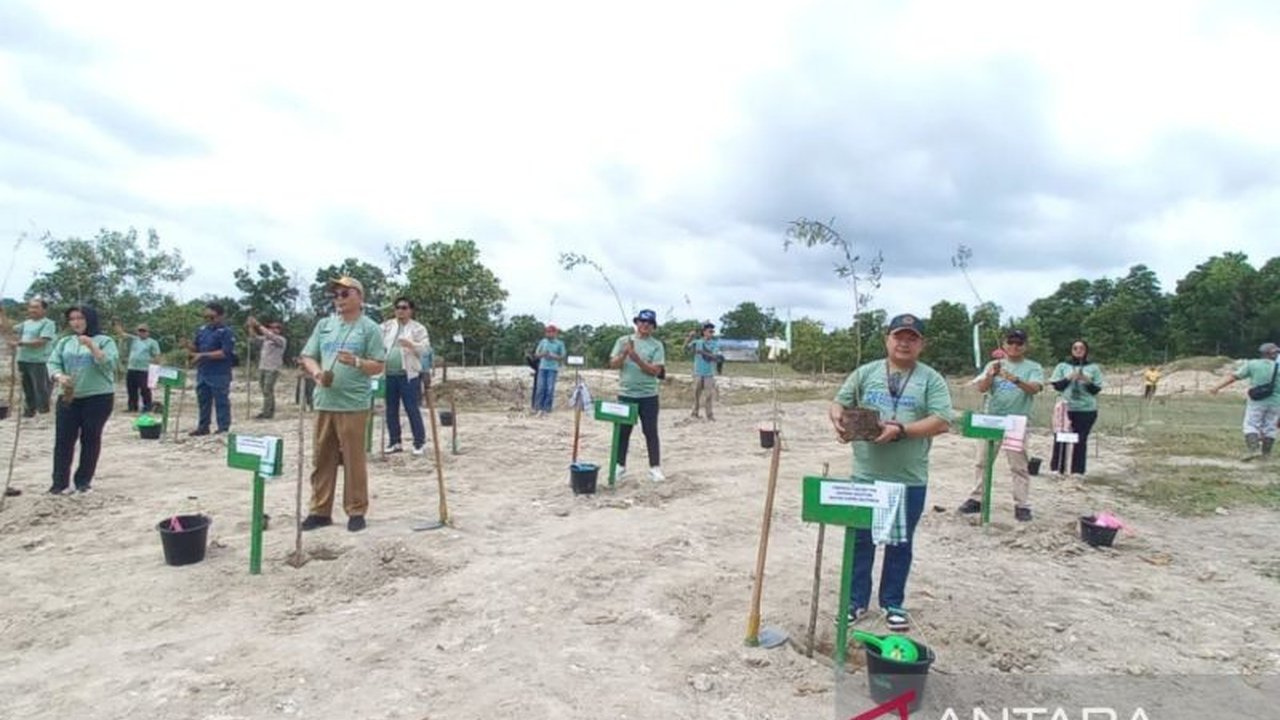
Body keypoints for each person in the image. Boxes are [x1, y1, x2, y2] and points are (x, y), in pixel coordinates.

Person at [827, 313, 953, 632]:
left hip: (908, 478)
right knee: (860, 541)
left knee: (900, 543)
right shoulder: (866, 372)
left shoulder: (931, 379)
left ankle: (893, 603)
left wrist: (901, 430)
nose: (904, 343)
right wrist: (838, 419)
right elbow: (838, 402)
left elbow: (941, 421)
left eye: (912, 338)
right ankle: (855, 602)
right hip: (865, 476)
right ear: (887, 339)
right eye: (899, 336)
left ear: (922, 344)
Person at [298, 277, 386, 532]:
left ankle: (356, 510)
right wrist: (317, 373)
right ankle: (319, 511)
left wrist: (357, 362)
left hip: (353, 404)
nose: (339, 298)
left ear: (359, 296)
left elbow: (378, 365)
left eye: (345, 293)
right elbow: (308, 356)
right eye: (335, 294)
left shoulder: (370, 328)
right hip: (324, 402)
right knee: (321, 458)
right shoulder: (324, 325)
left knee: (353, 460)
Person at [959, 329, 1044, 521]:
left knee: (1018, 465)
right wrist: (991, 375)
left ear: (1025, 346)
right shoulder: (993, 364)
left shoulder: (1033, 367)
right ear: (1004, 345)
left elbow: (1034, 389)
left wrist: (1014, 379)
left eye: (1019, 343)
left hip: (1016, 422)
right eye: (1010, 342)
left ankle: (1022, 504)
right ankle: (977, 499)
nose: (1014, 346)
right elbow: (981, 388)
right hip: (992, 420)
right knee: (982, 461)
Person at [46, 305, 118, 494]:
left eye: (80, 318)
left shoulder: (105, 341)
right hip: (68, 397)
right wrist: (59, 376)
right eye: (72, 319)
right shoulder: (65, 342)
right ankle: (59, 483)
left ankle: (83, 481)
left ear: (89, 319)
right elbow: (53, 362)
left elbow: (110, 365)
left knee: (90, 438)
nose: (76, 322)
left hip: (98, 398)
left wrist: (92, 346)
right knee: (63, 440)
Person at [609, 309, 666, 482]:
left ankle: (655, 468)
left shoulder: (657, 345)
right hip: (626, 394)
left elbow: (656, 371)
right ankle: (619, 466)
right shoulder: (623, 341)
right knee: (623, 432)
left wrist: (637, 359)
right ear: (637, 323)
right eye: (642, 321)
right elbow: (613, 364)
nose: (645, 325)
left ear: (653, 326)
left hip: (649, 395)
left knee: (650, 431)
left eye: (649, 322)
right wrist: (625, 354)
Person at [1210, 342, 1280, 461]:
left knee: (1251, 425)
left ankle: (1254, 450)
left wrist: (1216, 387)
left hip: (1257, 402)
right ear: (1273, 354)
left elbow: (1234, 377)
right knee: (1270, 428)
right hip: (1276, 403)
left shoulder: (1252, 364)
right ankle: (1265, 455)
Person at [380, 297, 430, 454]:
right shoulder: (386, 326)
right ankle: (395, 442)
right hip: (389, 374)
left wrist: (411, 344)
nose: (400, 311)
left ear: (411, 310)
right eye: (398, 307)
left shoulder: (418, 328)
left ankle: (419, 443)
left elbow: (426, 349)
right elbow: (376, 343)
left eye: (404, 307)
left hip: (409, 375)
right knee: (391, 409)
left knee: (412, 408)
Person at [1048, 340, 1104, 475]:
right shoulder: (1062, 366)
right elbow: (1057, 386)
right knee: (1060, 437)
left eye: (1081, 348)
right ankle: (1058, 468)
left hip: (1086, 409)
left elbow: (1096, 390)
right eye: (1075, 348)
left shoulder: (1094, 368)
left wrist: (1086, 380)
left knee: (1080, 439)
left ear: (1086, 350)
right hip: (1065, 408)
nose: (1078, 350)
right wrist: (1069, 378)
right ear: (1071, 350)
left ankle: (1077, 471)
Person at [185, 302, 235, 435]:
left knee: (221, 401)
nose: (208, 320)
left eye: (211, 317)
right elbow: (196, 348)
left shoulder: (226, 332)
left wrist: (202, 355)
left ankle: (223, 428)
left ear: (221, 316)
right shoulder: (202, 330)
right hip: (203, 371)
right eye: (205, 317)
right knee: (203, 401)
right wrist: (188, 346)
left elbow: (225, 353)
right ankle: (203, 427)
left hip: (219, 373)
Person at [12, 298, 57, 417]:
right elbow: (9, 329)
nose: (32, 310)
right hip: (23, 359)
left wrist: (21, 343)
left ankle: (43, 412)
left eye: (36, 307)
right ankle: (29, 411)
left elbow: (41, 342)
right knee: (27, 387)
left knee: (41, 388)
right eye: (31, 307)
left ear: (44, 310)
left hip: (39, 361)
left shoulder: (48, 323)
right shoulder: (26, 323)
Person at [115, 321, 162, 413]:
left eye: (144, 331)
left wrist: (155, 368)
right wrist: (116, 324)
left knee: (145, 389)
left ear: (148, 332)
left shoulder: (152, 342)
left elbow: (157, 356)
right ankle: (132, 407)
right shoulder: (134, 340)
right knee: (131, 389)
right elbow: (122, 334)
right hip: (132, 368)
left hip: (144, 369)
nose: (141, 333)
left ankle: (147, 406)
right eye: (140, 331)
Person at [246, 317, 287, 419]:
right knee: (265, 390)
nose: (272, 329)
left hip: (272, 368)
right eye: (271, 327)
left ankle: (267, 413)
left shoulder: (281, 340)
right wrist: (251, 326)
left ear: (280, 330)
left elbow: (270, 335)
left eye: (275, 327)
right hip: (263, 367)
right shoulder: (265, 340)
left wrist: (258, 324)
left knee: (267, 389)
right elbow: (254, 338)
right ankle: (268, 410)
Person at [685, 322, 720, 420]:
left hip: (709, 373)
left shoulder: (714, 343)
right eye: (709, 331)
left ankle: (709, 415)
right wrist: (689, 337)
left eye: (712, 332)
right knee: (696, 394)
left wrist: (702, 352)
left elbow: (715, 357)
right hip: (698, 372)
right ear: (704, 332)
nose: (711, 333)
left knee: (708, 395)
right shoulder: (697, 342)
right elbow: (685, 348)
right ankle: (694, 413)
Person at [533, 323, 567, 415]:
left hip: (552, 368)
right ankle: (537, 407)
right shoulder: (543, 342)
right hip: (542, 367)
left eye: (551, 332)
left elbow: (563, 356)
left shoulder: (560, 343)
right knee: (540, 388)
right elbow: (536, 355)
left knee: (549, 389)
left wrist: (553, 356)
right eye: (547, 332)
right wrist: (543, 354)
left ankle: (547, 408)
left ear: (555, 333)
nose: (548, 334)